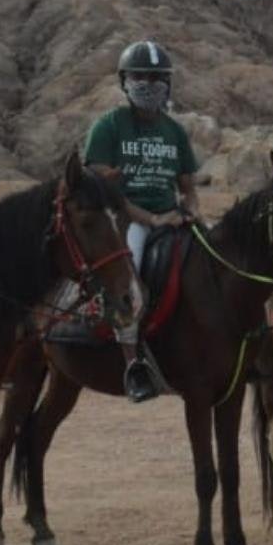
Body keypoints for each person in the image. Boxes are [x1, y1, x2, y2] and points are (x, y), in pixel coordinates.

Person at [83, 39, 200, 401]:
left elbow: (187, 186)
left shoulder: (175, 131)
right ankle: (133, 362)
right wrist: (150, 218)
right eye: (139, 77)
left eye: (156, 77)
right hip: (127, 221)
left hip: (170, 216)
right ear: (124, 81)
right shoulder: (109, 126)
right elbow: (105, 189)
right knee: (127, 282)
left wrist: (191, 211)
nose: (148, 84)